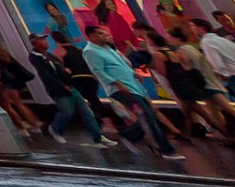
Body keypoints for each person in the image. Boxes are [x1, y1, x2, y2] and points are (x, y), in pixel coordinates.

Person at [85, 25, 183, 160]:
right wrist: (117, 83)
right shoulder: (90, 51)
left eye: (104, 34)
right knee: (146, 115)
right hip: (120, 89)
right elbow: (98, 71)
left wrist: (134, 74)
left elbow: (122, 65)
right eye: (100, 34)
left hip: (133, 86)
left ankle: (130, 135)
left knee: (149, 115)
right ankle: (166, 150)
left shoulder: (109, 49)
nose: (104, 36)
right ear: (91, 36)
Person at [33, 33, 108, 146]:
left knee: (87, 112)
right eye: (42, 40)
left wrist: (65, 71)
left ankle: (98, 137)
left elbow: (59, 67)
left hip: (71, 85)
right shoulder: (38, 57)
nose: (45, 42)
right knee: (67, 112)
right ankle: (55, 129)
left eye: (45, 39)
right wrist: (62, 84)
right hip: (60, 89)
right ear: (35, 43)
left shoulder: (51, 54)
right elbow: (46, 75)